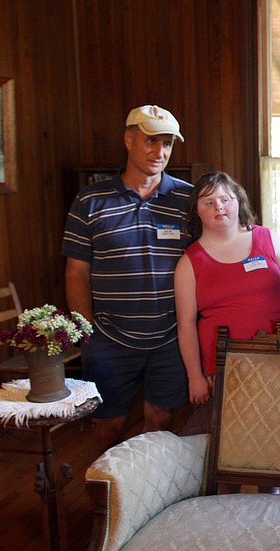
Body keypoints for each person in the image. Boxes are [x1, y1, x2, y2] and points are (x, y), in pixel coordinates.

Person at [62, 104, 192, 456]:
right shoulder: (90, 200)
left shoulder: (188, 198)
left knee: (161, 419)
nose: (160, 152)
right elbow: (76, 273)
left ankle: (149, 501)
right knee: (108, 425)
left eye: (167, 143)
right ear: (129, 139)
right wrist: (87, 331)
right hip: (109, 338)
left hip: (171, 336)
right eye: (152, 141)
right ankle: (104, 505)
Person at [174, 171, 280, 406]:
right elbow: (185, 325)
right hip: (223, 367)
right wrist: (194, 377)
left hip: (279, 356)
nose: (219, 206)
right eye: (209, 202)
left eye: (225, 199)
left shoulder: (269, 238)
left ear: (239, 201)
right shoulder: (189, 261)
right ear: (197, 210)